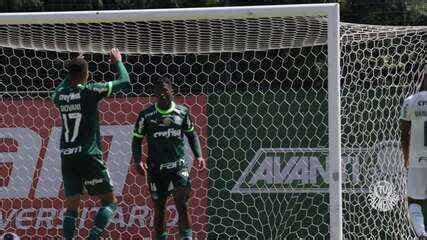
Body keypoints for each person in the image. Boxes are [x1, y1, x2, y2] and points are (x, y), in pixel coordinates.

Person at [51, 48, 130, 240]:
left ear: (70, 75)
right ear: (86, 74)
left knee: (72, 206)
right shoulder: (90, 90)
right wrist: (118, 61)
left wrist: (73, 67)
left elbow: (59, 89)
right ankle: (93, 238)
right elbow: (125, 81)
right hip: (88, 155)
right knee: (109, 203)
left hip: (68, 156)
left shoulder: (60, 96)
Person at [131, 77, 205, 240]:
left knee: (182, 204)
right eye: (159, 92)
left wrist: (198, 156)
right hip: (156, 169)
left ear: (172, 92)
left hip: (178, 167)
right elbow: (136, 141)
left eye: (165, 91)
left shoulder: (182, 112)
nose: (162, 95)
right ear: (155, 94)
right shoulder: (146, 116)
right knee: (160, 210)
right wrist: (138, 160)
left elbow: (192, 135)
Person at [400, 67, 427, 240]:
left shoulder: (410, 101)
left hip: (417, 160)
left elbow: (404, 131)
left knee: (413, 202)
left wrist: (406, 158)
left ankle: (422, 234)